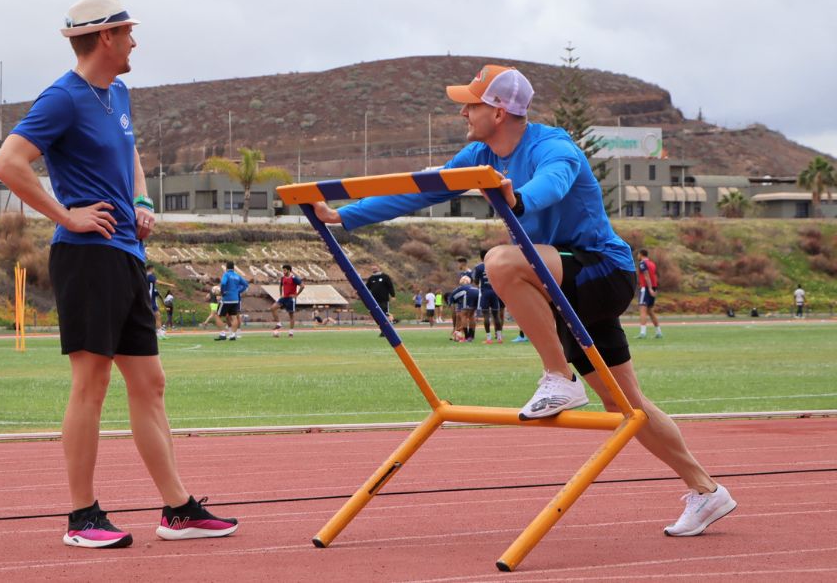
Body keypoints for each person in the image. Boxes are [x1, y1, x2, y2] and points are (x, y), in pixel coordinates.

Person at [312, 63, 736, 538]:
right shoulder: (479, 153)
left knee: (501, 261)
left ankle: (558, 376)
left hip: (600, 270)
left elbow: (552, 183)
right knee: (626, 405)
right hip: (561, 285)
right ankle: (706, 490)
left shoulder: (553, 146)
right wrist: (343, 217)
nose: (462, 113)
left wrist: (518, 201)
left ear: (498, 110)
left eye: (470, 105)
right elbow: (422, 191)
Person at [0, 0, 237, 548]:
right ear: (105, 37)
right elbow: (9, 162)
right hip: (86, 256)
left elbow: (129, 155)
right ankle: (82, 517)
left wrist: (144, 201)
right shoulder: (64, 97)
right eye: (128, 32)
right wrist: (67, 216)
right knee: (92, 383)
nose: (135, 41)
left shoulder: (117, 93)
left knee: (150, 383)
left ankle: (178, 510)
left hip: (126, 253)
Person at [474, 249, 504, 344]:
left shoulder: (479, 267)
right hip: (494, 292)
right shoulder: (495, 265)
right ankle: (499, 338)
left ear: (480, 257)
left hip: (485, 292)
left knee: (486, 315)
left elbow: (475, 281)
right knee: (496, 315)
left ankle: (489, 338)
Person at [215, 261, 249, 340]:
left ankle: (222, 334)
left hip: (227, 299)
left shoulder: (226, 274)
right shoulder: (237, 275)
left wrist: (222, 292)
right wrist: (238, 291)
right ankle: (233, 335)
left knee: (217, 315)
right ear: (233, 268)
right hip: (235, 299)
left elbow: (223, 283)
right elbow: (246, 285)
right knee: (234, 317)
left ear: (226, 268)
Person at [270, 264, 305, 337]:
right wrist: (280, 294)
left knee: (291, 315)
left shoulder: (294, 278)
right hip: (284, 298)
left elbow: (302, 286)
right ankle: (279, 323)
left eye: (285, 270)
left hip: (291, 299)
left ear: (289, 270)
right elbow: (281, 285)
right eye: (283, 270)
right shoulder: (283, 278)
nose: (283, 271)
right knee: (273, 308)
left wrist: (296, 294)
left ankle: (291, 332)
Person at [145, 262, 177, 338]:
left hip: (150, 299)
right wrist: (170, 285)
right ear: (151, 269)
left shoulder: (144, 276)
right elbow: (159, 282)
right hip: (149, 299)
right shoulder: (150, 276)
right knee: (154, 316)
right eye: (153, 269)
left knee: (157, 315)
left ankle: (159, 331)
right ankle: (155, 331)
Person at [637, 249, 662, 339]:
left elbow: (646, 276)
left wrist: (650, 288)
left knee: (642, 310)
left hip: (645, 288)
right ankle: (658, 332)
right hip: (653, 287)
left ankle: (643, 333)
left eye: (638, 254)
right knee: (650, 311)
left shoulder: (642, 263)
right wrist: (654, 289)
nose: (637, 256)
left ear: (641, 254)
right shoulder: (652, 264)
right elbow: (655, 276)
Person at [365, 264, 396, 335]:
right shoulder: (371, 278)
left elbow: (390, 286)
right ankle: (383, 330)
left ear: (379, 268)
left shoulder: (385, 277)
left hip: (384, 299)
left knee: (385, 314)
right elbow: (366, 288)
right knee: (377, 315)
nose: (374, 269)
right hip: (374, 301)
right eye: (372, 269)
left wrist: (393, 295)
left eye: (375, 268)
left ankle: (389, 330)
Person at [450, 275, 480, 342]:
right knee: (472, 316)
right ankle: (471, 336)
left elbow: (452, 299)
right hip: (477, 293)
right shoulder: (474, 287)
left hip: (468, 295)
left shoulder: (461, 288)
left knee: (464, 315)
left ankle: (466, 336)